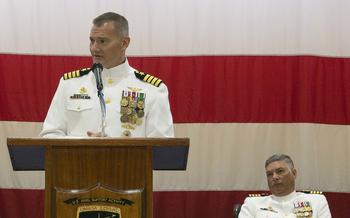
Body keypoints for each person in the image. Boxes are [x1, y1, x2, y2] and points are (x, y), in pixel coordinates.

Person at [40, 12, 174, 138]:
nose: (94, 48)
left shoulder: (153, 89)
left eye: (102, 41)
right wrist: (83, 146)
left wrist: (123, 149)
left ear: (124, 43)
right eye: (92, 41)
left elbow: (162, 149)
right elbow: (50, 135)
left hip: (129, 162)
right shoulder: (69, 84)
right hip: (77, 162)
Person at [238, 154, 331, 218]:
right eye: (269, 174)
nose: (274, 177)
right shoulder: (253, 204)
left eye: (280, 171)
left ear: (294, 174)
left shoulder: (317, 202)